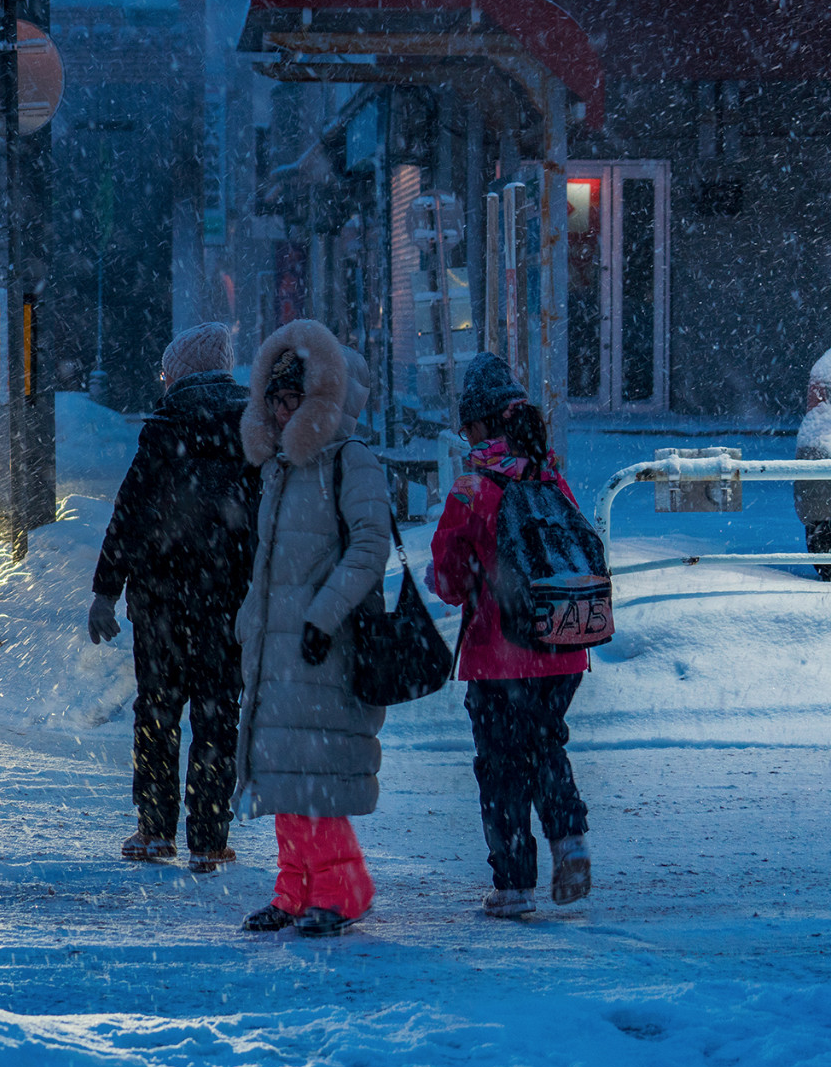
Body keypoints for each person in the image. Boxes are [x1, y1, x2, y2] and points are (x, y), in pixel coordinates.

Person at [231, 320, 390, 938]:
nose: (280, 409)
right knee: (285, 779)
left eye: (292, 398)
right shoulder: (282, 467)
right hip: (278, 650)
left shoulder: (349, 461)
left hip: (323, 648)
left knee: (314, 782)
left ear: (318, 399)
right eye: (273, 398)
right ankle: (295, 892)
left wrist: (323, 616)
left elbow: (370, 546)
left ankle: (343, 890)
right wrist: (252, 625)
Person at [87, 323, 260, 871]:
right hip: (227, 600)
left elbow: (130, 514)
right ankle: (209, 839)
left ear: (181, 372)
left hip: (161, 600)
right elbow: (268, 516)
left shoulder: (164, 427)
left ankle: (155, 829)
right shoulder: (252, 428)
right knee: (217, 716)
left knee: (157, 712)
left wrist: (105, 591)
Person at [430, 354, 593, 919]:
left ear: (477, 425)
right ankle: (569, 839)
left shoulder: (475, 487)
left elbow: (449, 581)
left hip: (499, 655)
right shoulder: (551, 476)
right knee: (546, 744)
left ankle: (514, 885)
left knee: (501, 765)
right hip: (562, 647)